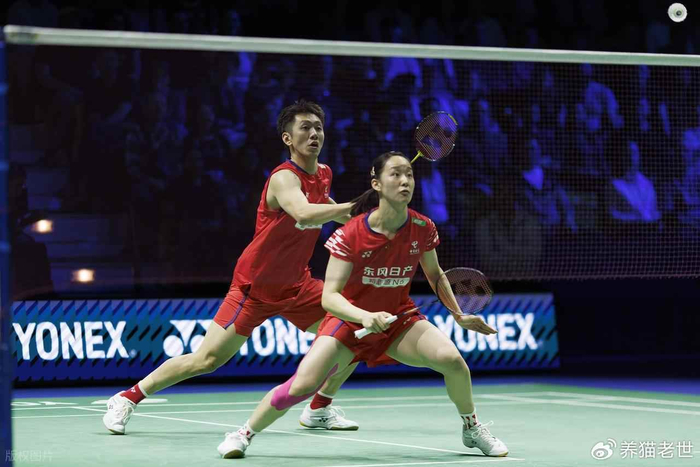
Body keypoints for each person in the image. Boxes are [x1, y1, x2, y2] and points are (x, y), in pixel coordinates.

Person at [217, 152, 509, 459]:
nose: (405, 181)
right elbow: (330, 297)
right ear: (376, 184)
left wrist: (458, 314)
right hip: (348, 323)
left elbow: (435, 275)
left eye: (409, 174)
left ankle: (471, 428)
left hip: (398, 320)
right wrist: (365, 316)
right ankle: (243, 434)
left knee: (453, 361)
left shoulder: (422, 227)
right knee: (300, 386)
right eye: (395, 174)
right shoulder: (351, 234)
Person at [103, 100, 361, 434]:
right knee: (207, 360)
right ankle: (127, 397)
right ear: (287, 138)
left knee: (353, 332)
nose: (314, 134)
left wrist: (370, 216)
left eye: (319, 127)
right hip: (255, 288)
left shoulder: (323, 174)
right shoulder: (284, 178)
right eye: (305, 127)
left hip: (298, 286)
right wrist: (354, 205)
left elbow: (330, 209)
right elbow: (303, 212)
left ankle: (319, 408)